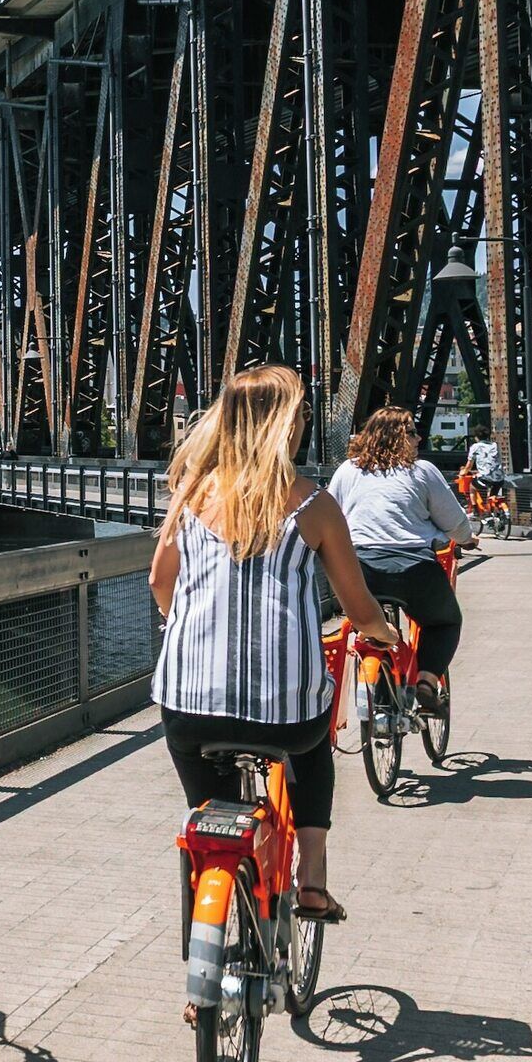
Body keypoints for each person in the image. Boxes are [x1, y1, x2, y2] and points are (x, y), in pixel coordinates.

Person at [148, 364, 394, 926]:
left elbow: (160, 583)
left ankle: (204, 945)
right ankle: (312, 882)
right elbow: (358, 609)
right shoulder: (314, 504)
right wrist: (383, 632)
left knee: (206, 810)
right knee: (312, 753)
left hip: (188, 706)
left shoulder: (189, 494)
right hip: (285, 716)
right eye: (303, 411)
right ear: (288, 423)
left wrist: (185, 627)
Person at [332, 406, 473, 715]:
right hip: (414, 570)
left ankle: (379, 686)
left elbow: (332, 517)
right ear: (397, 437)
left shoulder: (347, 471)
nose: (418, 438)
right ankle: (425, 680)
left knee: (371, 626)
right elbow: (455, 523)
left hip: (361, 569)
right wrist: (467, 539)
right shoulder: (421, 471)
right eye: (411, 432)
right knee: (445, 622)